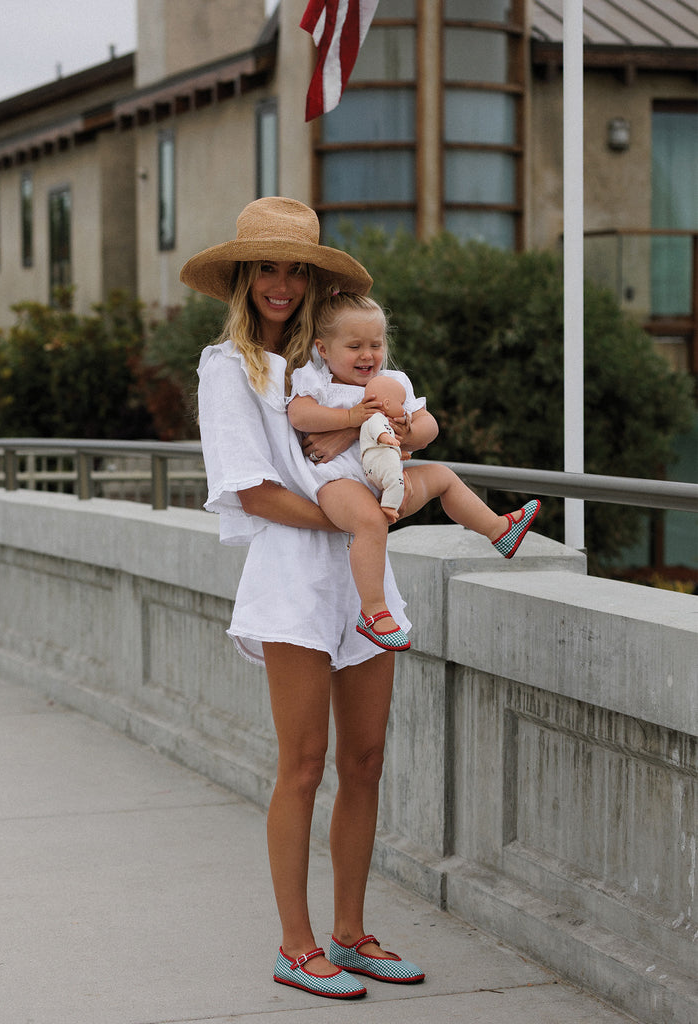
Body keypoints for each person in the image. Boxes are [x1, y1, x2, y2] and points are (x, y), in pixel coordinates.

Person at [180, 197, 424, 1000]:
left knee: (366, 760)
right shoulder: (230, 369)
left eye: (295, 269)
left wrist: (384, 466)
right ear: (244, 278)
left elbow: (405, 431)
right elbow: (251, 491)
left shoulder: (336, 361)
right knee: (304, 763)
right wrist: (350, 513)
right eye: (267, 269)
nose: (281, 284)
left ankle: (351, 935)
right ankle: (297, 944)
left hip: (362, 577)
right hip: (293, 581)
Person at [286, 291, 541, 651]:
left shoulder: (394, 382)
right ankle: (373, 611)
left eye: (376, 344)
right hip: (338, 481)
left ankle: (498, 529)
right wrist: (350, 417)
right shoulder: (318, 382)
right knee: (369, 521)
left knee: (442, 477)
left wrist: (409, 429)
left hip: (391, 483)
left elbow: (430, 426)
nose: (367, 355)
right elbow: (299, 415)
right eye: (354, 345)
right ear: (324, 349)